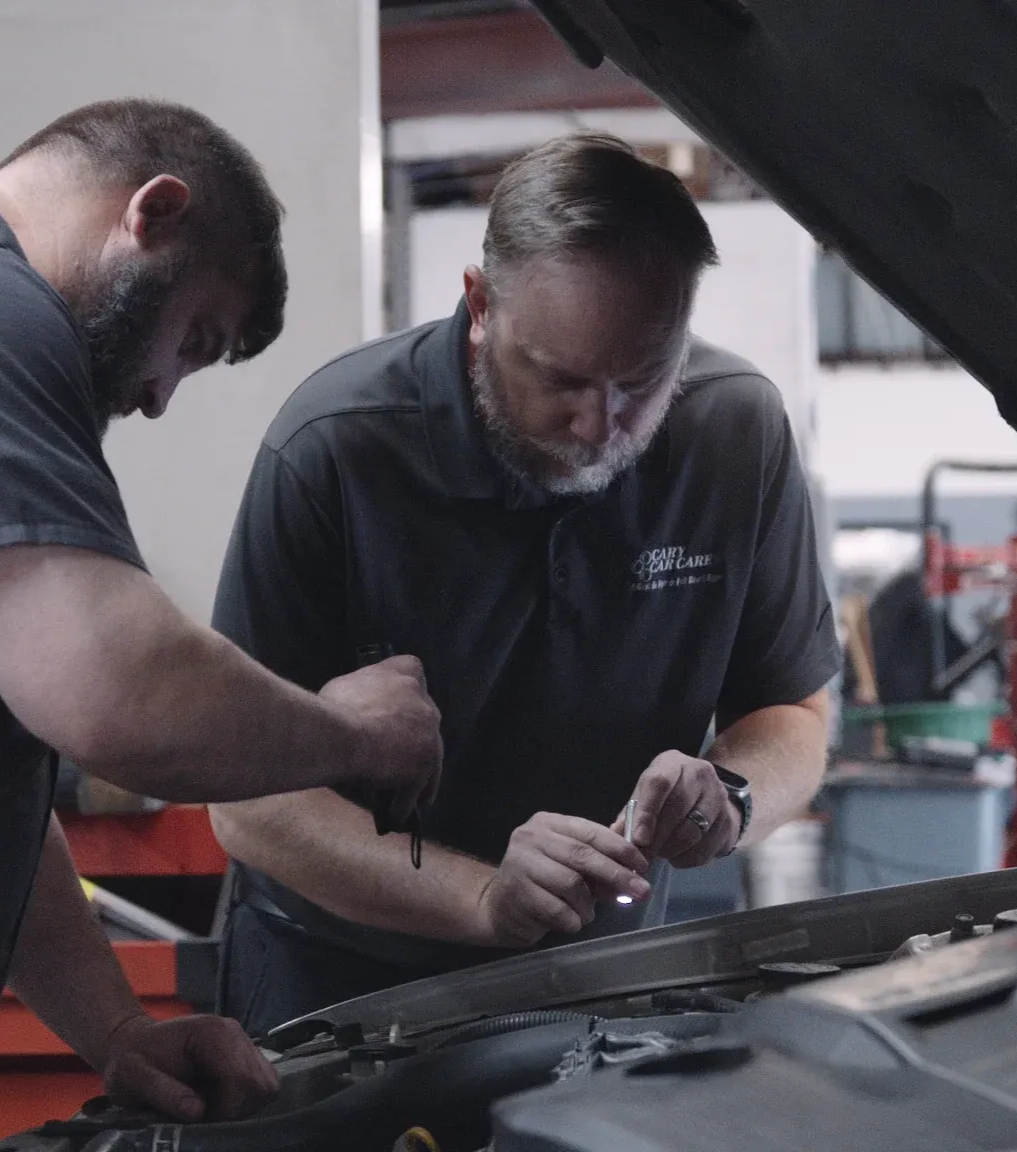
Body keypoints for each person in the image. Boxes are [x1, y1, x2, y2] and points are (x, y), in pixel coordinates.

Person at [0, 99, 443, 1151]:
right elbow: (112, 689)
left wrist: (116, 1028)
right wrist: (352, 735)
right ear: (154, 213)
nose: (161, 394)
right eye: (194, 340)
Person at [209, 132, 841, 1037]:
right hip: (338, 983)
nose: (601, 424)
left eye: (643, 378)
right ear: (478, 305)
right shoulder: (336, 448)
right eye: (562, 379)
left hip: (602, 976)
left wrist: (729, 800)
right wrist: (482, 899)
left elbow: (794, 716)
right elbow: (248, 800)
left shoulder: (735, 431)